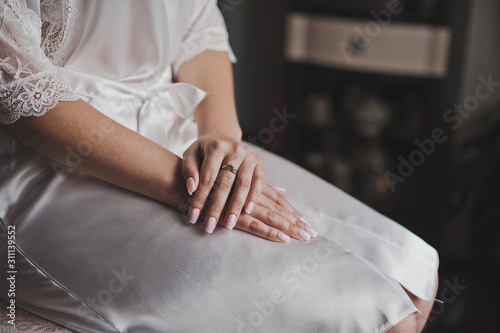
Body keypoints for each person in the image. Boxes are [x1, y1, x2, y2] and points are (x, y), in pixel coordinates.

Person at [0, 0, 438, 332]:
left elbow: (199, 26)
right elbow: (17, 88)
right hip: (49, 165)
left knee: (413, 278)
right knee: (371, 312)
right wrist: (185, 184)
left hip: (177, 130)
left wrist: (222, 142)